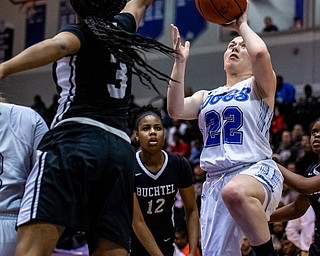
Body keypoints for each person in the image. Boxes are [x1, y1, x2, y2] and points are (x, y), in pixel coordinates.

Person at [0, 0, 177, 255]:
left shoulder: (81, 32)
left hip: (75, 141)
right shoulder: (123, 26)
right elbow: (140, 2)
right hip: (118, 152)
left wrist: (4, 68)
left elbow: (59, 45)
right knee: (110, 246)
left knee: (32, 249)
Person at [167, 2, 283, 255]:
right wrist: (179, 63)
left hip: (256, 170)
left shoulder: (260, 86)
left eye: (242, 46)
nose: (235, 46)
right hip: (215, 181)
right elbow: (175, 109)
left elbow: (261, 54)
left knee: (236, 191)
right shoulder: (207, 96)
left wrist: (241, 24)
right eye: (231, 45)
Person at [130, 105, 200, 256]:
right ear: (136, 135)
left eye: (158, 128)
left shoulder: (178, 164)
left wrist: (193, 250)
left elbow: (191, 210)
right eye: (146, 128)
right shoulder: (129, 166)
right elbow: (137, 222)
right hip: (133, 243)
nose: (153, 132)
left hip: (166, 241)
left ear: (164, 132)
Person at [0, 95, 48, 255]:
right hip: (17, 225)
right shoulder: (27, 117)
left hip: (17, 222)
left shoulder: (28, 118)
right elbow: (47, 186)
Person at [270, 118, 320, 256]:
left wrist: (269, 162)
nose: (317, 135)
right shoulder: (312, 171)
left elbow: (303, 186)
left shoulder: (308, 180)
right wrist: (263, 218)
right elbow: (296, 209)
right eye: (314, 132)